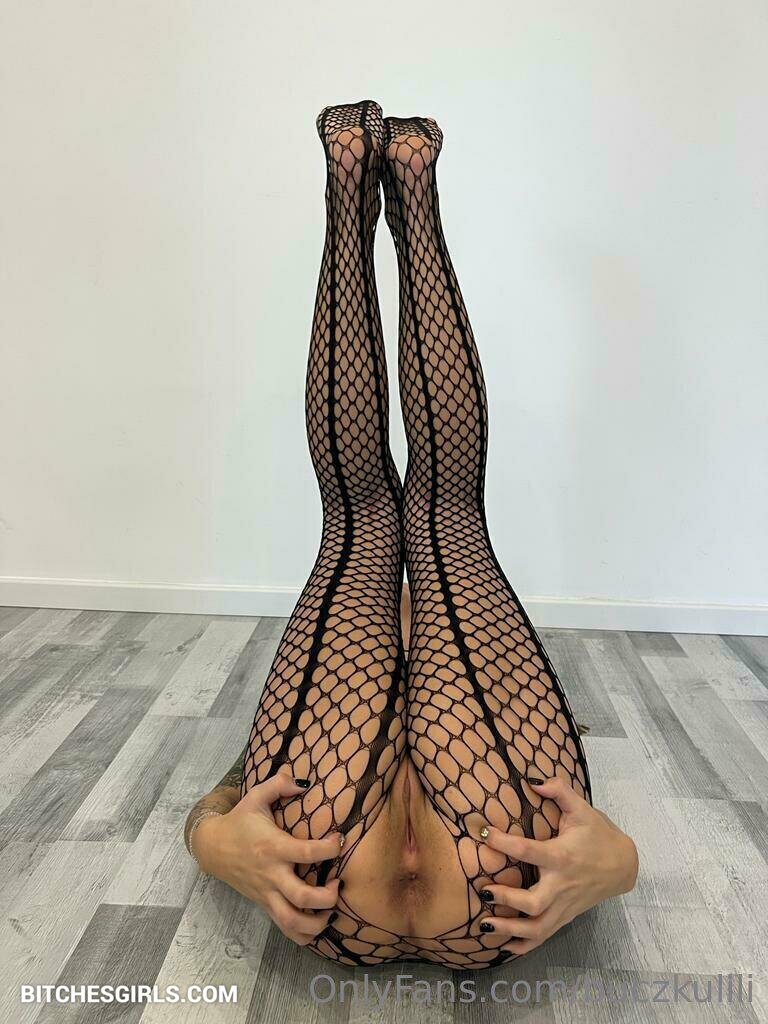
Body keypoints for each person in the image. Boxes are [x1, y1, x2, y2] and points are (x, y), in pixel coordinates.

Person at [184, 101, 638, 970]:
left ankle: (354, 198)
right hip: (494, 885)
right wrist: (623, 864)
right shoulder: (460, 635)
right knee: (445, 518)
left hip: (329, 892)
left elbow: (225, 792)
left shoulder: (358, 636)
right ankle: (409, 201)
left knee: (366, 522)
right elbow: (603, 845)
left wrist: (208, 842)